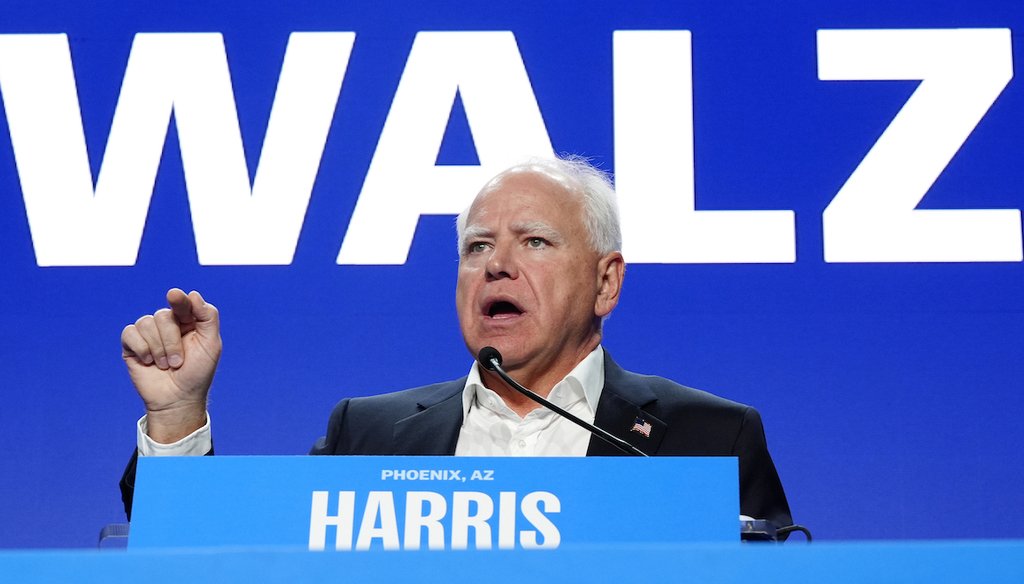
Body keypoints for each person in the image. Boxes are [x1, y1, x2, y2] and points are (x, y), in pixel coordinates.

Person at [119, 156, 792, 527]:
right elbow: (221, 560)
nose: (497, 265)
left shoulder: (707, 438)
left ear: (605, 283)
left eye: (534, 241)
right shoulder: (370, 435)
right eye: (477, 248)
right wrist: (177, 417)